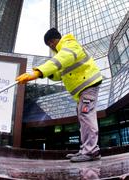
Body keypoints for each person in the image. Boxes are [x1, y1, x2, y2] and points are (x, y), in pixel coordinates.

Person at [16, 28, 102, 162]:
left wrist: (37, 72)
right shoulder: (63, 52)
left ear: (52, 41)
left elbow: (61, 59)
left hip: (88, 85)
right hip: (83, 90)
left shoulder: (69, 44)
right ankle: (86, 150)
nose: (51, 46)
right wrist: (47, 73)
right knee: (83, 118)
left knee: (86, 116)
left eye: (50, 43)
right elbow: (58, 74)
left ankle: (91, 151)